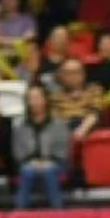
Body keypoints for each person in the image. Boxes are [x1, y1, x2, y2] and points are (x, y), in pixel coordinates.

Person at [13, 82, 71, 210]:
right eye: (31, 98)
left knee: (49, 171)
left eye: (37, 98)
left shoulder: (59, 124)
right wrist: (32, 162)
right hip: (29, 163)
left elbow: (63, 151)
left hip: (55, 163)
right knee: (27, 171)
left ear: (45, 100)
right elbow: (18, 151)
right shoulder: (20, 125)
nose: (34, 102)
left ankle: (57, 210)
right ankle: (20, 212)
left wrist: (48, 161)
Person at [51, 57, 102, 143]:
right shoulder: (55, 96)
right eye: (68, 73)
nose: (72, 76)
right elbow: (55, 120)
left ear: (83, 74)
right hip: (64, 133)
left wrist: (81, 130)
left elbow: (95, 114)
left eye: (76, 72)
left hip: (88, 131)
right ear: (62, 75)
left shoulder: (94, 90)